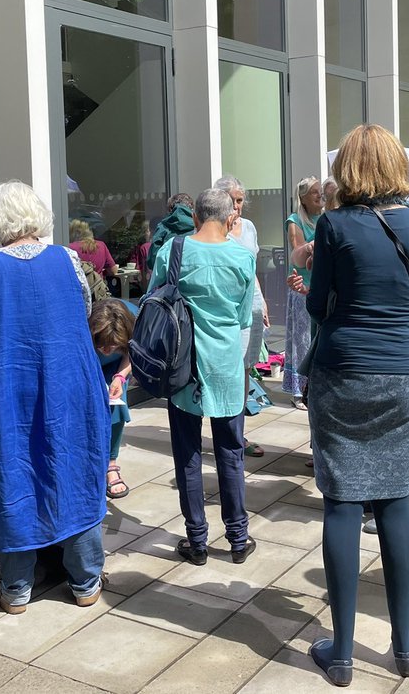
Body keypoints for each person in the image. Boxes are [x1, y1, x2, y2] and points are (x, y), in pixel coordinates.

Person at [302, 125, 409, 686]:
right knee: (394, 502)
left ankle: (340, 654)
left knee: (340, 502)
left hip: (342, 373)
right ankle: (404, 644)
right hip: (400, 377)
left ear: (349, 170)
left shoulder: (333, 225)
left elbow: (318, 305)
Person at [0, 181, 109, 614]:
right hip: (68, 384)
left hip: (7, 389)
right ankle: (86, 580)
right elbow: (83, 307)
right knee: (73, 465)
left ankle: (17, 586)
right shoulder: (70, 259)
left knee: (11, 470)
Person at [150, 188, 256, 565]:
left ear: (195, 216)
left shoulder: (172, 250)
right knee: (231, 452)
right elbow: (244, 317)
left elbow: (154, 300)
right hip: (226, 363)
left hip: (184, 364)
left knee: (188, 454)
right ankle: (238, 538)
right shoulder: (242, 256)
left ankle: (197, 540)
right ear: (231, 219)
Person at [214, 175, 270, 458]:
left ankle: (238, 433)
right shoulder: (212, 229)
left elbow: (252, 269)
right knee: (227, 369)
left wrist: (262, 300)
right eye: (234, 201)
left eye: (240, 201)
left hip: (252, 304)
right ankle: (224, 432)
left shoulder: (248, 227)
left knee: (246, 369)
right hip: (226, 309)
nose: (238, 207)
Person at [89, 298, 138, 498]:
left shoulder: (134, 319)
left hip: (118, 365)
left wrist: (120, 376)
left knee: (117, 405)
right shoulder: (84, 325)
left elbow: (133, 353)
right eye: (103, 345)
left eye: (113, 345)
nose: (107, 350)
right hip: (88, 364)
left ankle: (111, 464)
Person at [282, 176, 323, 409]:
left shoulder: (327, 218)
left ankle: (315, 384)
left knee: (316, 338)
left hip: (319, 285)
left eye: (320, 191)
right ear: (303, 198)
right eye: (315, 192)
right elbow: (298, 254)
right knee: (301, 339)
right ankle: (299, 390)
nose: (320, 196)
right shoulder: (295, 220)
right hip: (301, 286)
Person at [147, 193, 195, 271]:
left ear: (170, 210)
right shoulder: (199, 226)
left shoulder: (163, 227)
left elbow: (153, 261)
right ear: (191, 208)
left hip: (170, 278)